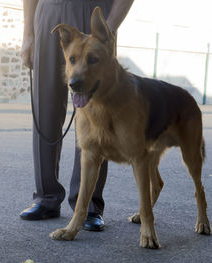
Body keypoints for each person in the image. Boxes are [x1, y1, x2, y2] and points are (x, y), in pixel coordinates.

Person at [19, 0, 134, 231]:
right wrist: (28, 33)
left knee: (96, 115)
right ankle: (46, 196)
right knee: (45, 107)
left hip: (94, 14)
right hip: (49, 13)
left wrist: (108, 30)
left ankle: (89, 205)